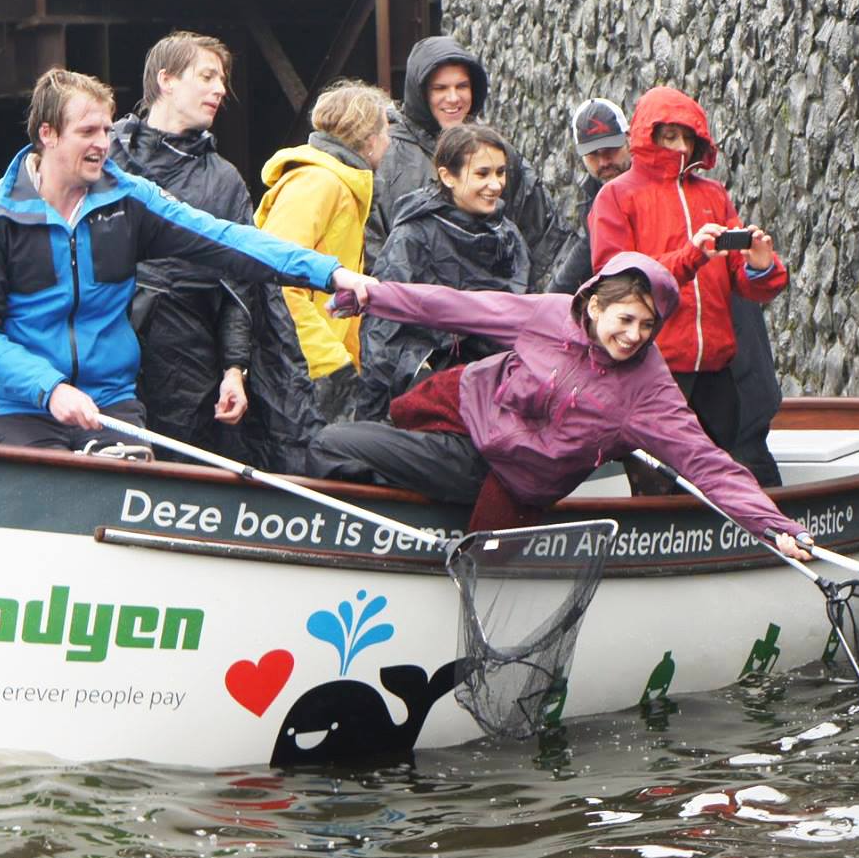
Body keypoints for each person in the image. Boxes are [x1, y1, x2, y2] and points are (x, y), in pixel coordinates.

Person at [0, 67, 370, 452]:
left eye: (105, 128)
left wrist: (328, 273)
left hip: (109, 401)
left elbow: (227, 239)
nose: (103, 142)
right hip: (23, 407)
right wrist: (51, 389)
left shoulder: (130, 200)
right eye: (88, 131)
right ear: (48, 134)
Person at [307, 251, 814, 559]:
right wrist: (373, 297)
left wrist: (774, 525)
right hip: (460, 410)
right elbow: (455, 305)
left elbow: (707, 464)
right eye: (625, 320)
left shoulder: (649, 391)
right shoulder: (552, 314)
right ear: (594, 305)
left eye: (646, 326)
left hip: (495, 473)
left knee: (333, 444)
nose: (634, 336)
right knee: (334, 446)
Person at [108, 32, 325, 471]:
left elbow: (241, 289)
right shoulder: (106, 154)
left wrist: (234, 369)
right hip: (109, 336)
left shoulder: (222, 180)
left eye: (221, 80)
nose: (220, 90)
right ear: (167, 81)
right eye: (206, 77)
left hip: (188, 355)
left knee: (186, 462)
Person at [588, 86, 788, 485]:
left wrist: (762, 267)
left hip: (717, 370)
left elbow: (745, 283)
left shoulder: (713, 194)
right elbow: (615, 282)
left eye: (688, 137)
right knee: (659, 489)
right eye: (669, 136)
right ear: (648, 135)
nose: (680, 147)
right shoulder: (616, 197)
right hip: (651, 371)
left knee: (730, 480)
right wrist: (689, 256)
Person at [352, 123, 531, 421]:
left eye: (501, 172)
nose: (496, 184)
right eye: (482, 174)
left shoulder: (507, 232)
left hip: (500, 382)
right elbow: (382, 328)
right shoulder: (413, 236)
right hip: (431, 388)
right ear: (447, 176)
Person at [254, 80, 393, 421]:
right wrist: (332, 362)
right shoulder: (319, 183)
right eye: (387, 133)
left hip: (318, 362)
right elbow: (276, 276)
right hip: (303, 368)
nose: (391, 144)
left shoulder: (340, 184)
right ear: (371, 141)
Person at [367, 35, 561, 275]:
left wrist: (521, 292)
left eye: (462, 86)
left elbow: (541, 229)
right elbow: (370, 241)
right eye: (440, 88)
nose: (453, 98)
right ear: (420, 93)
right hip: (415, 302)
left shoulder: (493, 148)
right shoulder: (387, 154)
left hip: (491, 303)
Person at [545, 96, 631, 295]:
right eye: (593, 155)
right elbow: (588, 249)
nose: (603, 163)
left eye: (610, 150)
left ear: (629, 139)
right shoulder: (593, 198)